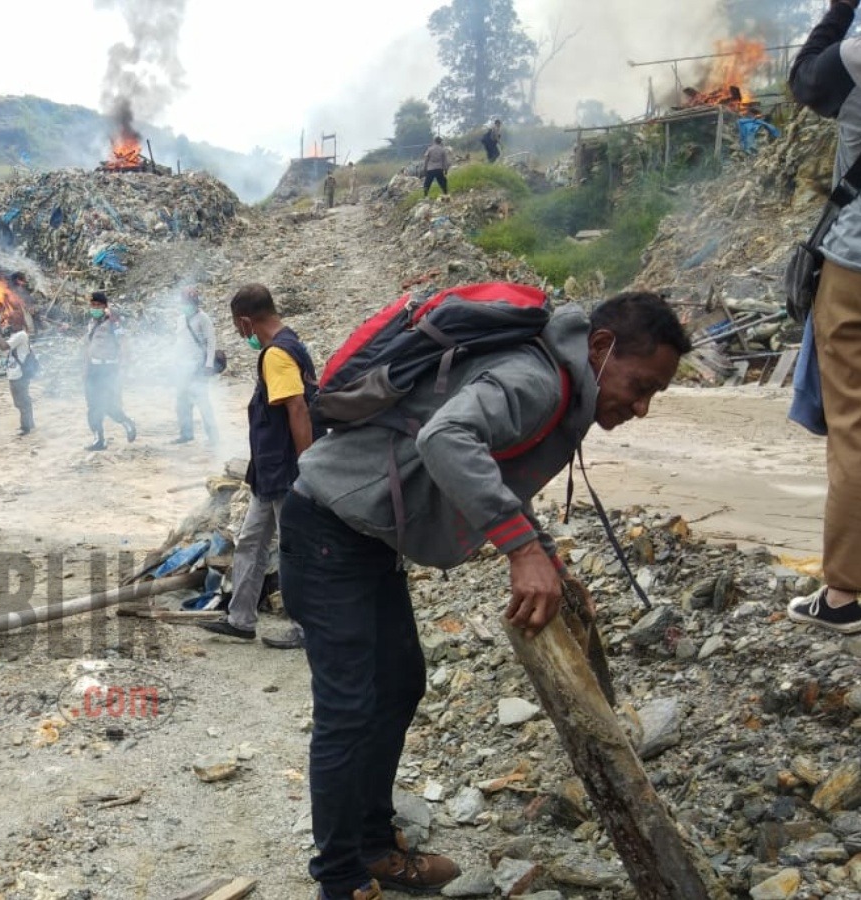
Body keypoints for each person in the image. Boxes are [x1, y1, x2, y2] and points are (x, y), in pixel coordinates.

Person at [282, 292, 689, 898]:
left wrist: (544, 553)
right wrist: (519, 550)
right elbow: (447, 438)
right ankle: (340, 879)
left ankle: (371, 845)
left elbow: (499, 467)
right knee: (349, 708)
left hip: (362, 536)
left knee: (397, 685)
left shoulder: (558, 376)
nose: (642, 406)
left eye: (654, 393)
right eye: (641, 385)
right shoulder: (538, 381)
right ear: (601, 349)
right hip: (327, 529)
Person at [787, 0, 861, 634]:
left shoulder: (859, 54)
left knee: (854, 425)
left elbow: (805, 77)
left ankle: (844, 595)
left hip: (858, 265)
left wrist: (841, 7)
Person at [200, 284, 316, 650]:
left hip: (285, 470)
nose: (240, 334)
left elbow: (296, 408)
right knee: (251, 541)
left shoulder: (277, 355)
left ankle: (308, 627)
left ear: (247, 322)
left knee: (295, 548)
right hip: (267, 472)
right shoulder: (284, 344)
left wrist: (308, 465)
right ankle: (241, 619)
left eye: (238, 327)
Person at [83, 290, 136, 451]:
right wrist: (85, 368)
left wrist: (125, 366)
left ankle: (126, 422)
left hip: (109, 368)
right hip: (93, 368)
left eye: (98, 305)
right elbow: (89, 347)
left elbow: (124, 343)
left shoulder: (114, 322)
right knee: (93, 405)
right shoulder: (92, 323)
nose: (94, 308)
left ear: (105, 306)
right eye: (92, 305)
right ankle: (98, 439)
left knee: (108, 404)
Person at [173, 286, 220, 446]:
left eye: (189, 302)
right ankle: (186, 434)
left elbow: (211, 342)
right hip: (182, 367)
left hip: (198, 367)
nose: (186, 305)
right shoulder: (180, 319)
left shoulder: (203, 318)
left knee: (202, 401)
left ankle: (213, 436)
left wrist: (208, 364)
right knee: (182, 401)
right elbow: (179, 342)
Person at [0, 323, 35, 436]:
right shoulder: (19, 335)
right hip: (18, 373)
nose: (9, 323)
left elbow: (3, 347)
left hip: (19, 374)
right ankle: (29, 423)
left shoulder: (20, 335)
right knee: (23, 400)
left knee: (21, 401)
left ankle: (26, 427)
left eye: (11, 320)